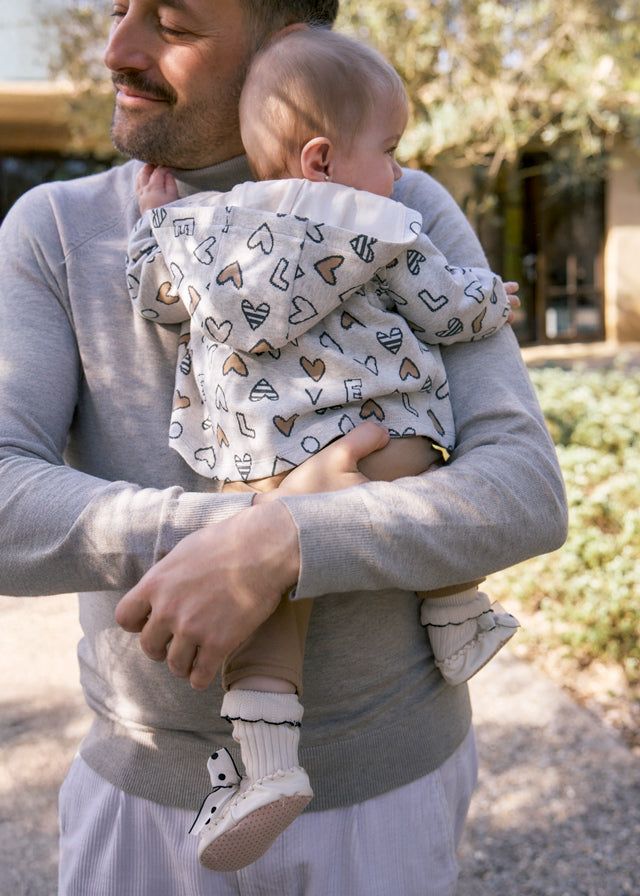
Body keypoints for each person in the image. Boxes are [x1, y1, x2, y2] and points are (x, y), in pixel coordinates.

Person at [0, 1, 568, 894]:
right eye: (117, 8)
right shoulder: (57, 230)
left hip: (387, 795)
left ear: (287, 44)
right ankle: (456, 612)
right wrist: (243, 538)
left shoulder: (403, 199)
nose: (117, 49)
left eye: (171, 23)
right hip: (141, 799)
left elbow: (523, 491)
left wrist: (281, 540)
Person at [125, 26, 521, 872]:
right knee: (431, 482)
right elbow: (446, 309)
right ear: (322, 159)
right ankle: (456, 616)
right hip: (387, 439)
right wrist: (494, 298)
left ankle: (267, 766)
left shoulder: (200, 230)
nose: (401, 172)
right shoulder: (384, 223)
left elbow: (156, 301)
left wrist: (152, 227)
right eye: (391, 149)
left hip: (264, 469)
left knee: (265, 608)